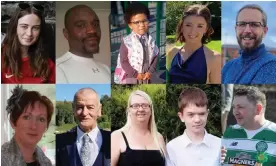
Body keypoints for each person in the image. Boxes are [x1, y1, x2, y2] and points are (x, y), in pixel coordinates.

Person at [1, 2, 55, 83]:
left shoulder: (47, 63)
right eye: (24, 26)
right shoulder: (3, 56)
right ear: (15, 27)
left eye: (35, 28)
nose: (29, 33)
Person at [222, 86, 276, 166]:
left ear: (258, 109)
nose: (235, 112)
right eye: (234, 107)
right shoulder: (229, 132)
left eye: (240, 107)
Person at [222, 4, 276, 84]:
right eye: (242, 24)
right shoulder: (228, 67)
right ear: (236, 29)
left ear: (264, 31)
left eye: (254, 24)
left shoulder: (272, 65)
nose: (247, 30)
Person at [56, 5, 110, 84]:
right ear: (66, 34)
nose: (92, 30)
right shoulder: (58, 68)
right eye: (81, 25)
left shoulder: (106, 68)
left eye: (95, 24)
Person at [167, 87, 221, 166]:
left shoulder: (220, 144)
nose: (197, 120)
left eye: (202, 114)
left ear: (207, 114)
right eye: (191, 115)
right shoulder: (172, 147)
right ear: (181, 116)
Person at [56, 88, 111, 166]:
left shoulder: (113, 140)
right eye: (79, 107)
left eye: (90, 107)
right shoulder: (58, 141)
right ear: (73, 109)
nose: (84, 113)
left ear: (99, 110)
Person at [167, 4, 221, 84]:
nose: (193, 31)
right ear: (182, 27)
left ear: (206, 29)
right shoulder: (172, 52)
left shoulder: (214, 58)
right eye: (188, 25)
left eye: (200, 26)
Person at [1, 85, 54, 165]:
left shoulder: (46, 162)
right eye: (27, 117)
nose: (34, 126)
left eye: (41, 119)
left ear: (46, 126)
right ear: (13, 121)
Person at [111, 90, 167, 166]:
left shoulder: (159, 137)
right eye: (135, 106)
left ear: (151, 110)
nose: (141, 109)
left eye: (145, 105)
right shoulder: (117, 137)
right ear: (129, 111)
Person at [114, 2, 159, 84]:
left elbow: (155, 55)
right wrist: (135, 74)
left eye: (144, 21)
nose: (141, 25)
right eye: (136, 22)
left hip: (146, 75)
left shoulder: (151, 39)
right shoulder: (127, 41)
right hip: (131, 76)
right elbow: (123, 61)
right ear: (130, 25)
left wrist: (150, 71)